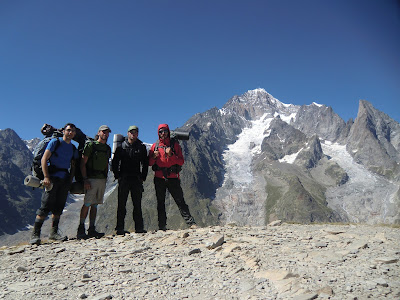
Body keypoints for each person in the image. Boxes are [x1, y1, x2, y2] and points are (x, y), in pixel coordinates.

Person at [30, 123, 79, 245]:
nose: (70, 133)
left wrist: (70, 179)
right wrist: (46, 177)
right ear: (64, 131)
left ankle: (53, 233)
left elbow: (73, 165)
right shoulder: (55, 142)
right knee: (45, 206)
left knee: (59, 207)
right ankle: (35, 235)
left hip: (64, 180)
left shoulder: (73, 148)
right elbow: (44, 159)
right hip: (52, 178)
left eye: (73, 131)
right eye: (68, 130)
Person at [149, 124, 197, 231]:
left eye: (165, 131)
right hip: (159, 178)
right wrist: (153, 157)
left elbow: (181, 161)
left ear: (168, 132)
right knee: (160, 202)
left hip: (173, 178)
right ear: (158, 133)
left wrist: (171, 155)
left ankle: (191, 223)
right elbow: (150, 163)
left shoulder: (175, 145)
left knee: (180, 201)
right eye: (161, 131)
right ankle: (162, 226)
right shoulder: (154, 146)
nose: (163, 133)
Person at [112, 125, 149, 235]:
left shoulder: (141, 147)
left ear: (137, 134)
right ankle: (119, 228)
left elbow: (145, 163)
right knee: (121, 204)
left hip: (136, 179)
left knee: (137, 204)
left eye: (135, 132)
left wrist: (143, 177)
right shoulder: (121, 147)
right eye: (131, 132)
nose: (133, 134)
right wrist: (117, 175)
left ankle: (139, 228)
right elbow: (115, 162)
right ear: (128, 133)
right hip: (124, 179)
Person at [77, 125, 112, 239]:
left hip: (101, 178)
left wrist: (106, 177)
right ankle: (81, 228)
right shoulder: (91, 145)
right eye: (104, 132)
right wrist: (85, 179)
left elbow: (106, 164)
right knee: (87, 203)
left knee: (95, 204)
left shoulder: (107, 148)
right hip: (91, 178)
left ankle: (92, 228)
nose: (105, 134)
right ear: (99, 132)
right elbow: (83, 163)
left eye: (107, 133)